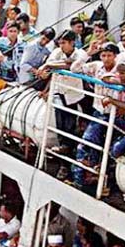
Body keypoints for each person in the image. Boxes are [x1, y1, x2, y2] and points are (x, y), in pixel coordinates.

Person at [71, 43, 125, 188]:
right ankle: (80, 179)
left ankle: (97, 178)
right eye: (103, 55)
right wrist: (88, 54)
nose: (106, 59)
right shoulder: (96, 66)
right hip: (99, 113)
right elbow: (74, 68)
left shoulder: (121, 70)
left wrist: (116, 80)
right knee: (89, 143)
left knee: (104, 147)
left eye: (109, 55)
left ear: (115, 56)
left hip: (115, 115)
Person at [38, 30, 89, 179]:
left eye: (64, 43)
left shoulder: (80, 53)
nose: (62, 46)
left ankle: (72, 162)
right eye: (60, 43)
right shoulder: (57, 52)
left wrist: (52, 65)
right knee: (62, 129)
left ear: (72, 43)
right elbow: (51, 63)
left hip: (74, 95)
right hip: (59, 92)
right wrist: (52, 65)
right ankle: (64, 165)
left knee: (70, 127)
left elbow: (75, 66)